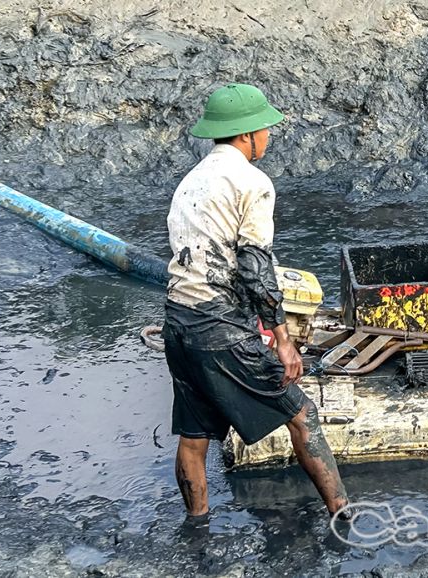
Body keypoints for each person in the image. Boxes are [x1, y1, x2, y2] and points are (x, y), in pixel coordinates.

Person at [163, 83, 348, 520]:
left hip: (178, 322)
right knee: (303, 414)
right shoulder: (252, 182)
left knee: (193, 437)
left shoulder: (191, 181)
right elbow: (254, 267)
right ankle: (344, 516)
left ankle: (197, 527)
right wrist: (282, 338)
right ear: (247, 135)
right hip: (219, 327)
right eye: (265, 129)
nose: (269, 136)